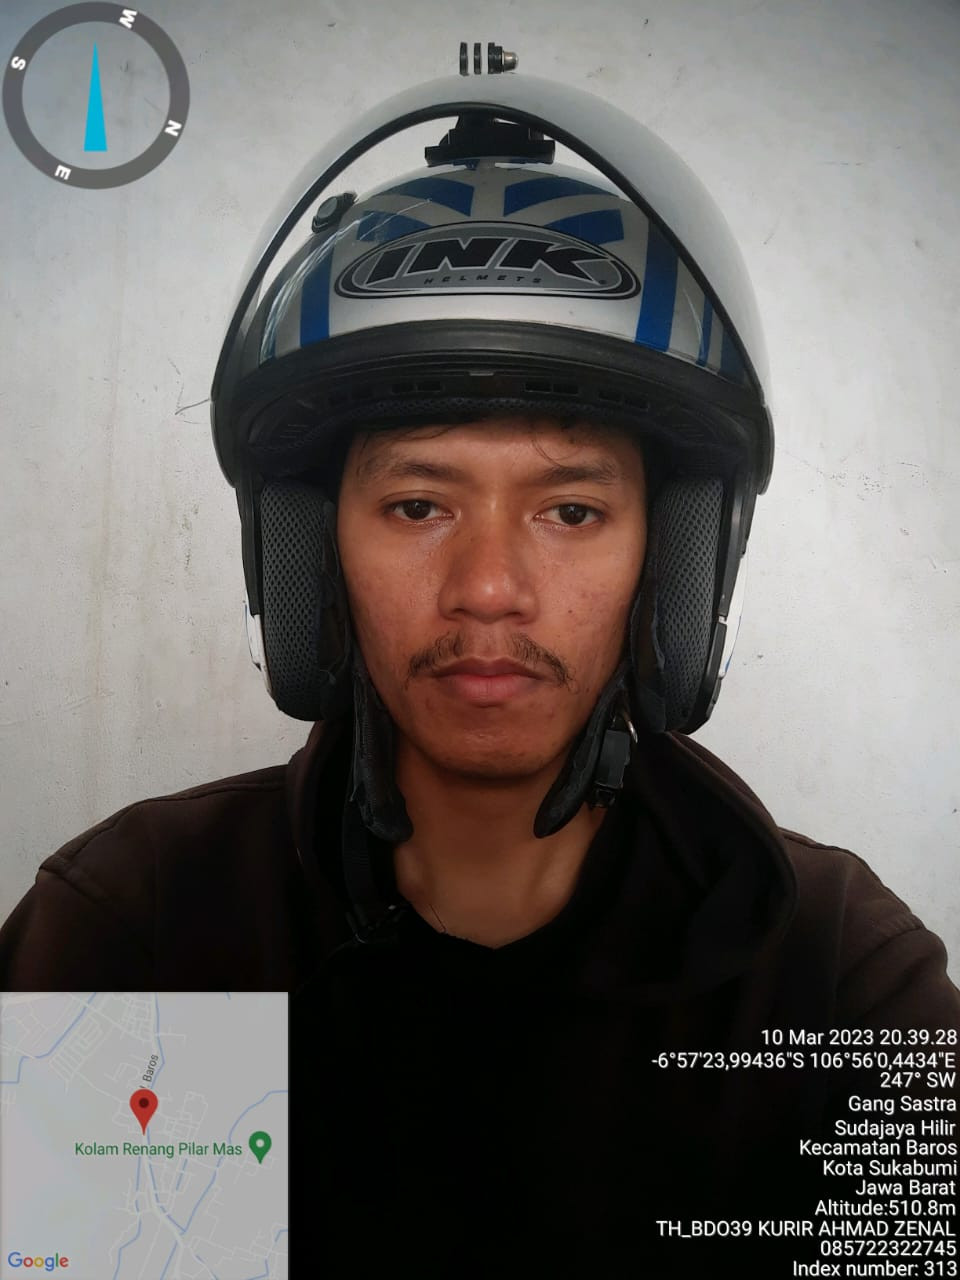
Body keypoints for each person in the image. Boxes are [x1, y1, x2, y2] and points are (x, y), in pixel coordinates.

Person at [2, 58, 958, 1275]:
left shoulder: (828, 970)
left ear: (673, 561)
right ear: (311, 551)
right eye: (417, 504)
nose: (490, 587)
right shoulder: (150, 925)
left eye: (570, 510)